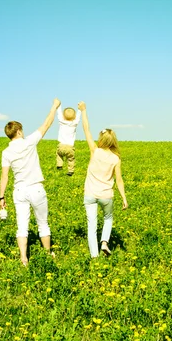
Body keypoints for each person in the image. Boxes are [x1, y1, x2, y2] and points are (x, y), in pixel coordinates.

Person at [0, 98, 61, 266]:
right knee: (42, 223)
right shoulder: (29, 142)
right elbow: (46, 124)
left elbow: (4, 176)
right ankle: (48, 253)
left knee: (22, 227)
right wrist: (54, 107)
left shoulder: (6, 152)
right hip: (36, 189)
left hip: (19, 191)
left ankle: (24, 259)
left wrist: (1, 197)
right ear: (18, 131)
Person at [78, 101, 128, 258]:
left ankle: (94, 256)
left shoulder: (95, 150)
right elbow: (119, 180)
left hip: (90, 194)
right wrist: (124, 198)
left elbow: (86, 129)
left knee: (91, 226)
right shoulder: (115, 158)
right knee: (108, 218)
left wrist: (83, 110)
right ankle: (104, 242)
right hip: (106, 195)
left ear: (101, 139)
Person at [55, 104, 81, 176]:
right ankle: (70, 171)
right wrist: (79, 109)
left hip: (61, 146)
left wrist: (59, 105)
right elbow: (78, 117)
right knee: (71, 159)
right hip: (70, 147)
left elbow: (59, 114)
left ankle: (59, 165)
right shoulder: (74, 123)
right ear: (74, 117)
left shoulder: (61, 122)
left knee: (58, 154)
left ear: (63, 116)